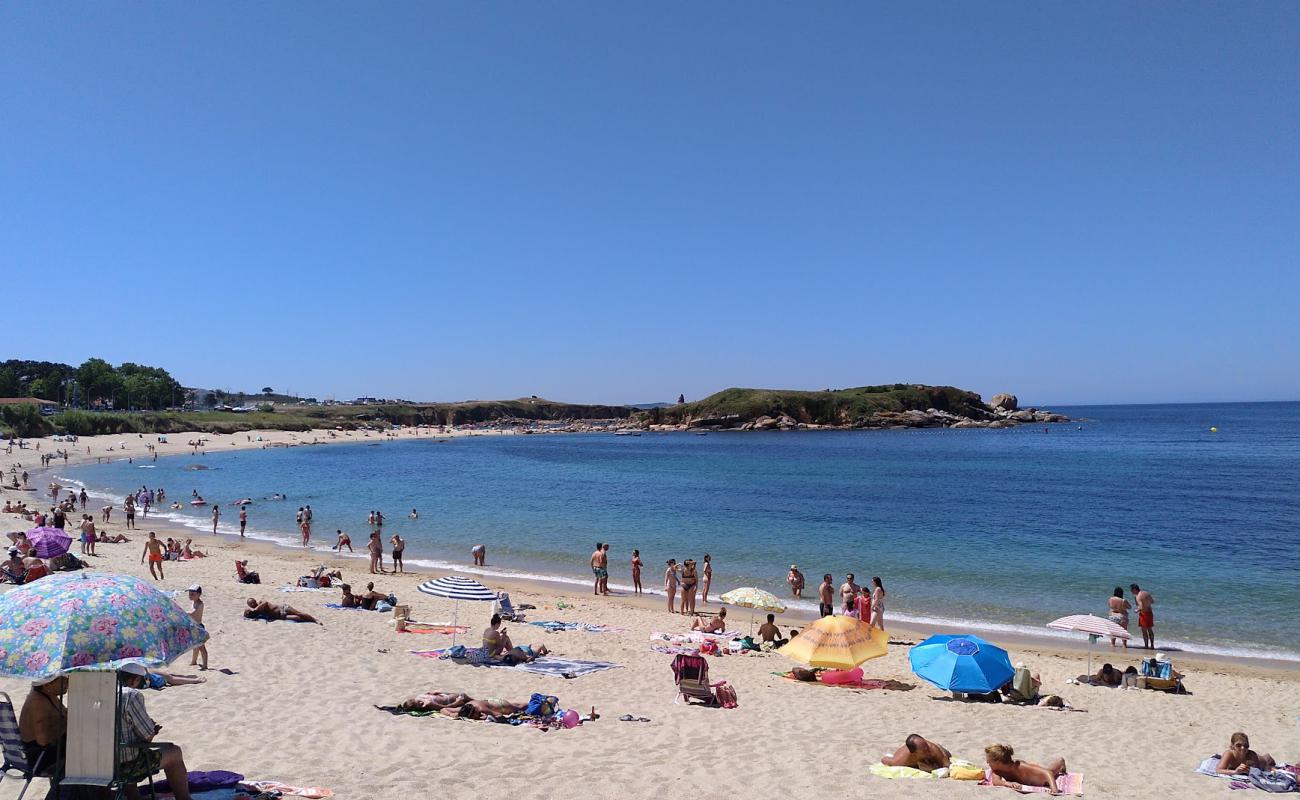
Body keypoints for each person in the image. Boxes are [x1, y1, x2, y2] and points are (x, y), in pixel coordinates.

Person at [118, 663, 194, 800]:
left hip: (98, 765)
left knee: (125, 744)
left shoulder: (95, 695)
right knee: (174, 752)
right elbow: (147, 736)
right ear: (134, 680)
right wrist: (152, 729)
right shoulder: (130, 695)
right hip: (125, 766)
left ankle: (133, 796)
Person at [18, 675, 67, 779]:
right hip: (40, 759)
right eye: (63, 680)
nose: (67, 683)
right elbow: (43, 740)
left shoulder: (47, 695)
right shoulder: (38, 702)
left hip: (42, 753)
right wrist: (66, 724)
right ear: (48, 684)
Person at [984, 744, 1066, 794]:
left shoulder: (1019, 766)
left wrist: (1054, 789)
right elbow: (996, 782)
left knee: (1050, 773)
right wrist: (1009, 783)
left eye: (989, 761)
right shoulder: (997, 770)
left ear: (998, 762)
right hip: (1026, 779)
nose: (987, 763)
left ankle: (1060, 763)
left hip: (1038, 780)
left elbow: (1048, 773)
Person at [482, 614, 549, 663]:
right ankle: (512, 650)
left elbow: (493, 641)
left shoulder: (486, 630)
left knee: (504, 637)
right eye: (499, 625)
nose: (498, 627)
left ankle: (512, 651)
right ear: (497, 624)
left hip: (486, 652)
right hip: (492, 653)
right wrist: (504, 635)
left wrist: (501, 635)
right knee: (505, 637)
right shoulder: (495, 633)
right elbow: (500, 646)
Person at [882, 734, 952, 773]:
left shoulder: (932, 748)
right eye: (924, 750)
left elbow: (946, 766)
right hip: (909, 756)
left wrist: (933, 769)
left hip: (936, 749)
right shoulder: (901, 760)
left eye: (926, 745)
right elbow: (884, 760)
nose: (928, 750)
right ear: (914, 753)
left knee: (947, 754)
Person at [243, 598, 321, 623]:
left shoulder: (260, 603)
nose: (253, 605)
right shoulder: (257, 612)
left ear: (255, 601)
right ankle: (310, 620)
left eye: (253, 603)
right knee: (297, 618)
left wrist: (255, 609)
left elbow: (265, 602)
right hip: (281, 616)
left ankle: (315, 619)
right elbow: (248, 615)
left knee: (299, 613)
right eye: (251, 604)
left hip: (283, 608)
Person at [188, 585, 208, 670]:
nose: (190, 596)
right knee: (195, 646)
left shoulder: (200, 604)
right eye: (189, 594)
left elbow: (192, 613)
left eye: (193, 594)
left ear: (199, 594)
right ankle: (194, 661)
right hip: (193, 626)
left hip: (198, 627)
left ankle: (205, 665)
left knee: (201, 647)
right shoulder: (193, 602)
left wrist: (183, 613)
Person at [1131, 583, 1155, 649]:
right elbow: (1152, 601)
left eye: (1131, 590)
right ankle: (1152, 645)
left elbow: (1141, 607)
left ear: (1134, 589)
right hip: (1150, 612)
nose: (1131, 592)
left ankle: (1146, 645)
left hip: (1144, 614)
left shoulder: (1138, 596)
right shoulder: (1146, 593)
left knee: (1144, 631)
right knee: (1150, 629)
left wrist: (1136, 610)